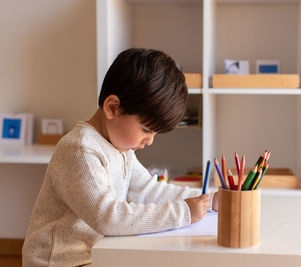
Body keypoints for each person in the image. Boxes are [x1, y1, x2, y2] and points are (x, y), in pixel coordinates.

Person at [22, 48, 218, 266]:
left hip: (99, 252)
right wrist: (182, 212)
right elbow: (107, 217)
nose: (150, 141)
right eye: (146, 130)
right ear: (113, 107)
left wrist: (207, 200)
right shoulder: (81, 151)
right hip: (61, 261)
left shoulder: (121, 147)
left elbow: (148, 190)